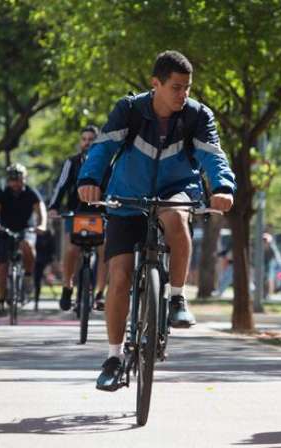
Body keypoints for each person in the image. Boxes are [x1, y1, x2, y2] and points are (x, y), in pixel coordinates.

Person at [78, 50, 236, 391]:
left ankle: (177, 297)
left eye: (188, 88)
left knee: (177, 218)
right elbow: (103, 148)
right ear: (156, 84)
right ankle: (113, 358)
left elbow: (213, 157)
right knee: (118, 277)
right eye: (177, 87)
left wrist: (222, 187)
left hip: (176, 190)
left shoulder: (197, 116)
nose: (183, 95)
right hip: (127, 198)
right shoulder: (129, 110)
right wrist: (89, 179)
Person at [48, 126, 109, 311]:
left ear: (97, 142)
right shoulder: (72, 162)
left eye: (91, 139)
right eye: (84, 139)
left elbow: (114, 186)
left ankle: (100, 294)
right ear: (80, 142)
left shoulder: (107, 162)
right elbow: (61, 186)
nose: (87, 142)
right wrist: (53, 207)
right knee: (71, 250)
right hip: (76, 214)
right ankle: (67, 287)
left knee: (104, 251)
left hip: (100, 215)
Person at [0, 163, 48, 316]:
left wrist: (42, 225)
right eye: (12, 180)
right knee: (1, 268)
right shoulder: (1, 192)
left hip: (26, 229)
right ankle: (1, 303)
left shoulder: (31, 193)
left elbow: (41, 211)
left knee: (27, 244)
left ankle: (28, 277)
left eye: (19, 179)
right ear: (8, 180)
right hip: (5, 230)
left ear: (24, 179)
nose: (15, 183)